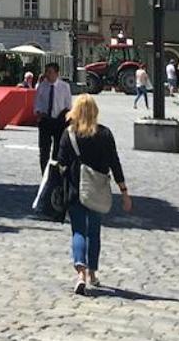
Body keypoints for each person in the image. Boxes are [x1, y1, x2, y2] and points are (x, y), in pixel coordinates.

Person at [54, 94, 131, 296]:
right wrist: (124, 191)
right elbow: (115, 163)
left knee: (78, 231)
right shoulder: (105, 134)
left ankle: (80, 273)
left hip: (74, 189)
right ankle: (93, 273)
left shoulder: (69, 133)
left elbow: (60, 162)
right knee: (93, 231)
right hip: (97, 190)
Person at [33, 63, 70, 177]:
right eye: (46, 72)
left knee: (58, 149)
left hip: (59, 121)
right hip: (45, 120)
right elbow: (37, 103)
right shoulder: (42, 86)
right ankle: (44, 174)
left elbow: (68, 105)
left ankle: (55, 174)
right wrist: (39, 113)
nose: (47, 75)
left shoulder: (64, 87)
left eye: (50, 72)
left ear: (57, 73)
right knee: (44, 150)